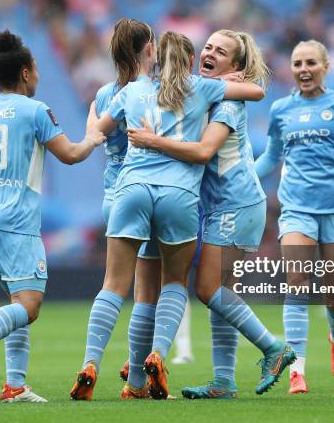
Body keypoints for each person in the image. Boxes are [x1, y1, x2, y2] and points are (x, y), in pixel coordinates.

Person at [70, 30, 265, 400]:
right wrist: (223, 80)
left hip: (126, 193)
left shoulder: (125, 91)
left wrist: (90, 124)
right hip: (177, 196)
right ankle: (155, 359)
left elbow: (96, 134)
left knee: (119, 286)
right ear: (186, 60)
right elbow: (256, 92)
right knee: (173, 284)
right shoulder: (198, 88)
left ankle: (92, 363)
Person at [0, 29, 104, 403]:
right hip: (16, 222)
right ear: (26, 73)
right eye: (37, 70)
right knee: (28, 306)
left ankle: (14, 385)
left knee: (17, 304)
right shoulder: (35, 110)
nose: (39, 76)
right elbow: (72, 155)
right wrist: (95, 135)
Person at [127, 30, 295, 399]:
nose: (210, 53)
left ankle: (273, 347)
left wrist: (153, 140)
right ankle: (224, 381)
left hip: (236, 203)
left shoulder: (227, 105)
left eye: (221, 52)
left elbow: (204, 152)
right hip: (223, 205)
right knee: (224, 296)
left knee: (207, 289)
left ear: (234, 66)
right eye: (208, 47)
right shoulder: (206, 95)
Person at [254, 39, 334, 394]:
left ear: (325, 67)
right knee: (297, 285)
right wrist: (242, 180)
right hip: (297, 209)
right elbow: (272, 157)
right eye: (298, 63)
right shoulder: (282, 110)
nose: (303, 69)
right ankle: (297, 369)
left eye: (310, 63)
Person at [91, 18, 163, 399]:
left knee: (111, 285)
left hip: (111, 197)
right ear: (150, 49)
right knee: (146, 291)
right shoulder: (155, 90)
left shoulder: (104, 94)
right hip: (147, 192)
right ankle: (136, 381)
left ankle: (90, 362)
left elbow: (93, 133)